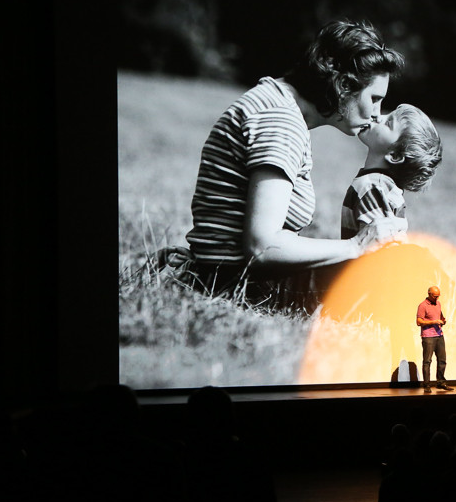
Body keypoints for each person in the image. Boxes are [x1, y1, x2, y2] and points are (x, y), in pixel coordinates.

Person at [164, 21, 408, 302]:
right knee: (404, 265)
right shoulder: (281, 122)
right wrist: (356, 246)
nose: (377, 114)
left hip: (226, 275)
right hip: (239, 285)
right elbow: (263, 246)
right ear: (343, 85)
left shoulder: (275, 101)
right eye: (374, 98)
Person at [340, 104, 442, 239]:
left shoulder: (371, 187)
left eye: (388, 123)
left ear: (395, 156)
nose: (377, 117)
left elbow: (374, 245)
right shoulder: (383, 186)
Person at [417, 286, 454, 392]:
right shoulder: (422, 305)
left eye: (438, 296)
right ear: (429, 294)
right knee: (427, 361)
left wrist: (443, 320)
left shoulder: (438, 303)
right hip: (428, 337)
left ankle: (441, 382)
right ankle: (427, 385)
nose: (437, 298)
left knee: (442, 360)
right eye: (435, 296)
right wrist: (433, 322)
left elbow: (440, 316)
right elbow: (419, 322)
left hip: (439, 335)